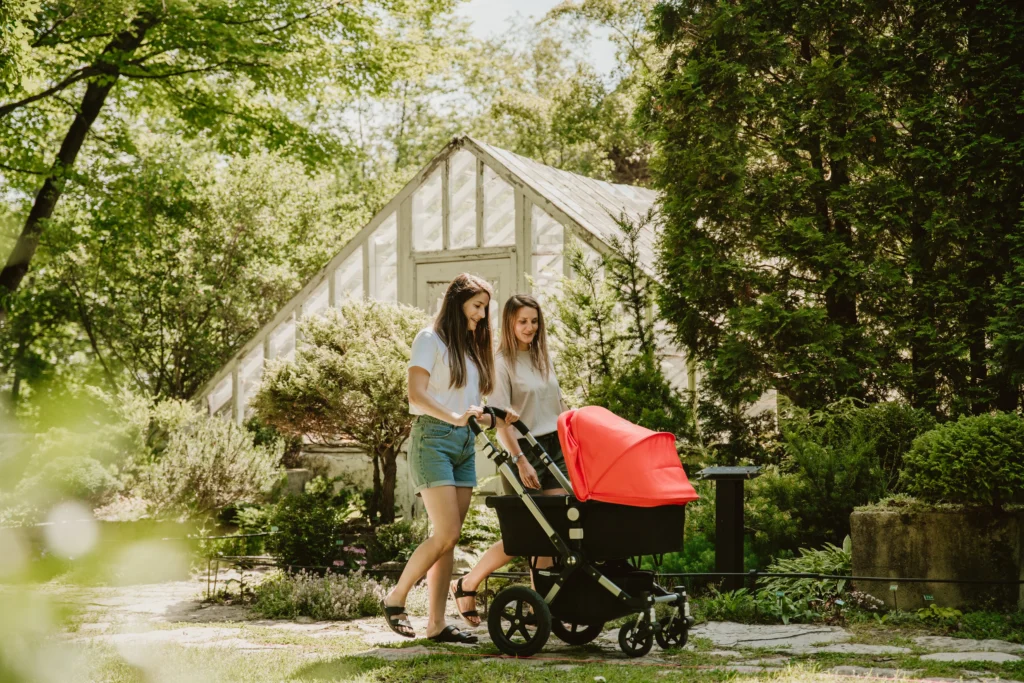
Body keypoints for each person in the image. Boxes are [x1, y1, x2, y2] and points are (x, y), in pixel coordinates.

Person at [380, 273, 518, 644]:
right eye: (476, 306)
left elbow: (468, 408)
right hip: (433, 439)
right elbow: (416, 393)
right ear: (457, 302)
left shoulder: (470, 349)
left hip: (463, 444)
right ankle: (395, 598)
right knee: (446, 532)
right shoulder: (430, 339)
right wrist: (452, 417)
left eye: (484, 308)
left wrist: (498, 415)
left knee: (447, 540)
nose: (480, 315)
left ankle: (437, 624)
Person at [448, 294, 569, 627]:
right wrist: (520, 460)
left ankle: (539, 607)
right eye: (522, 322)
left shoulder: (544, 357)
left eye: (534, 321)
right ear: (510, 324)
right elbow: (501, 419)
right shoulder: (501, 363)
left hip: (554, 449)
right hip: (523, 450)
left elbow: (557, 407)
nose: (529, 328)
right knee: (527, 534)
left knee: (554, 529)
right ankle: (467, 583)